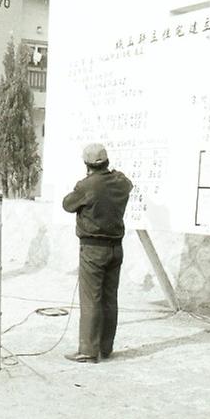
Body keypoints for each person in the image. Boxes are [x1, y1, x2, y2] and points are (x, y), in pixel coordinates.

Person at [62, 143, 133, 364]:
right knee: (110, 298)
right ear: (106, 162)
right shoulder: (120, 182)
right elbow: (127, 182)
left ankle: (88, 350)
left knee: (91, 299)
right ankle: (106, 347)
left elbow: (67, 204)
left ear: (87, 164)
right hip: (116, 248)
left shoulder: (86, 186)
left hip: (93, 249)